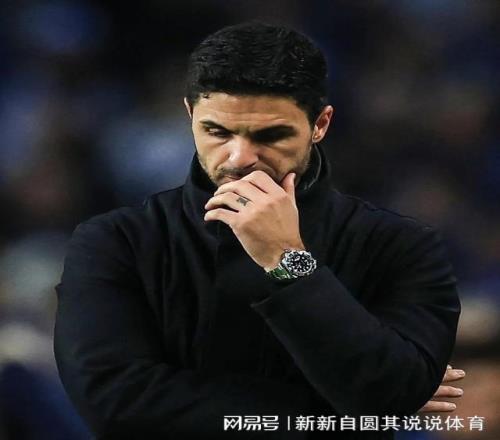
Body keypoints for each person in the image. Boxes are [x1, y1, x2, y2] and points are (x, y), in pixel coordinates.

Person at [54, 22, 462, 439]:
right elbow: (113, 403)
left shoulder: (401, 245)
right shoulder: (115, 241)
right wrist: (334, 415)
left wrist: (287, 260)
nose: (239, 158)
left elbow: (392, 393)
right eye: (217, 132)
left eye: (271, 135)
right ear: (190, 115)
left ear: (320, 124)